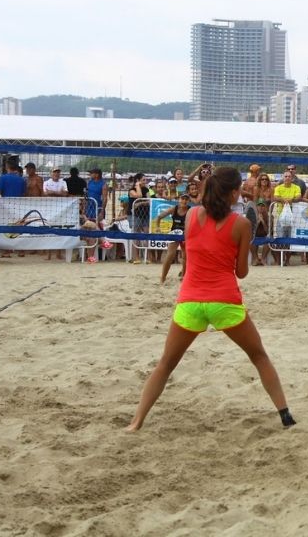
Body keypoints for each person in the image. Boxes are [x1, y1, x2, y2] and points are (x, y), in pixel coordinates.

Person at [126, 167, 294, 432]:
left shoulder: (192, 215)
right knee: (259, 357)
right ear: (236, 193)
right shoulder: (241, 224)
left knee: (165, 364)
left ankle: (136, 423)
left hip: (190, 300)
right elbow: (241, 272)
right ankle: (285, 416)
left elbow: (192, 251)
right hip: (224, 301)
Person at [158, 194, 191, 284]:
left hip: (185, 234)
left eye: (186, 199)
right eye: (182, 198)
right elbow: (159, 217)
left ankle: (184, 277)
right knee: (170, 255)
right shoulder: (174, 209)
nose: (184, 201)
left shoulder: (190, 210)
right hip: (175, 233)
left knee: (185, 257)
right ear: (179, 200)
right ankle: (163, 278)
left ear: (188, 201)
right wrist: (157, 228)